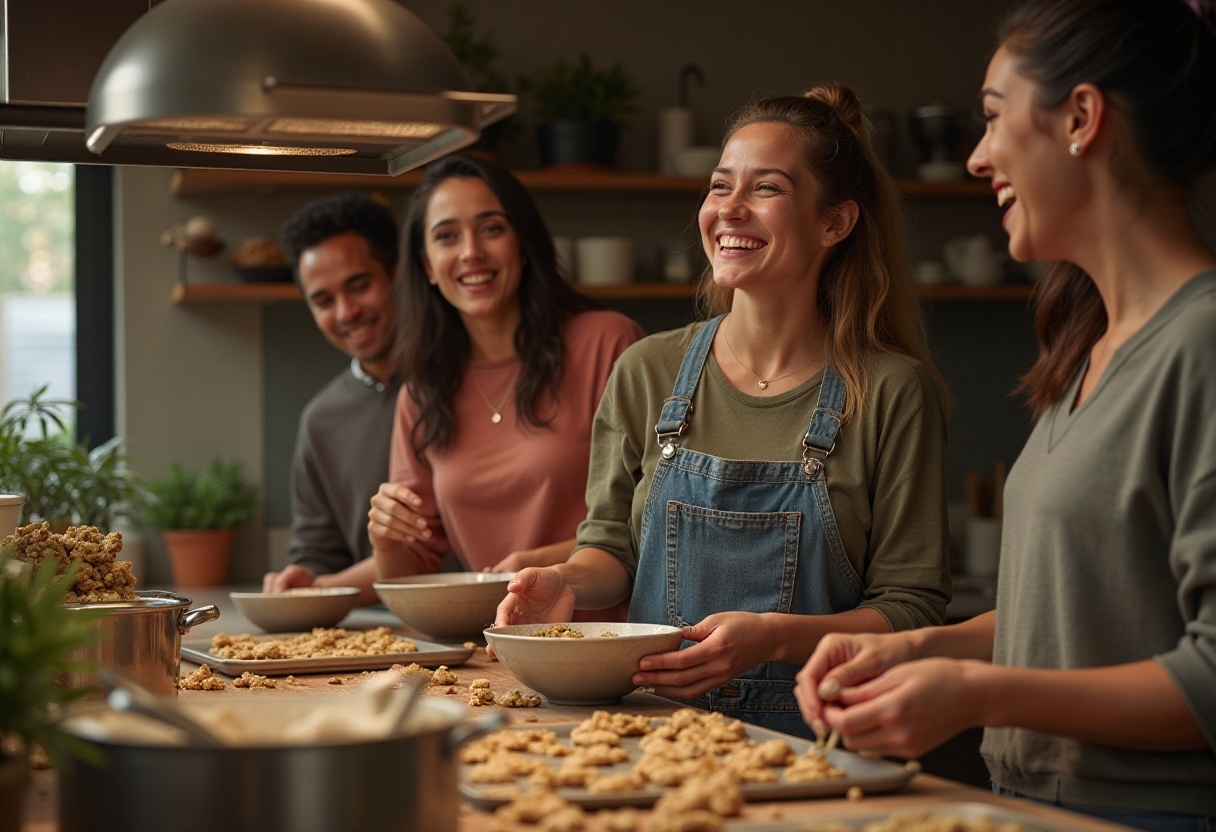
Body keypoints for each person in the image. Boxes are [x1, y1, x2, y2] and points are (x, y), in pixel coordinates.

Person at [794, 2, 1216, 828]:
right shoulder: (1087, 341)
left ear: (1082, 118)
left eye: (991, 118)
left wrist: (978, 691)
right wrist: (917, 649)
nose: (979, 157)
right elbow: (1068, 618)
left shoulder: (1201, 344)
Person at [496, 83, 953, 737]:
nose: (729, 210)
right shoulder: (646, 371)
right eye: (719, 186)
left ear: (835, 222)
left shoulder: (891, 392)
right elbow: (611, 550)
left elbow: (911, 610)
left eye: (765, 189)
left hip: (823, 752)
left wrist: (771, 639)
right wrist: (564, 583)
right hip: (655, 737)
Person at [368, 155, 644, 593]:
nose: (471, 252)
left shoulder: (608, 343)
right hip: (498, 645)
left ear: (523, 242)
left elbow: (656, 520)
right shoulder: (422, 392)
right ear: (427, 267)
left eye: (491, 228)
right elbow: (411, 580)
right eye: (446, 236)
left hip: (611, 636)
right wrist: (385, 542)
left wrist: (539, 566)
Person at [262, 192, 400, 605]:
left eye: (359, 286)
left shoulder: (470, 385)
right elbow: (318, 553)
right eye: (323, 301)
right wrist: (305, 577)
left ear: (399, 274)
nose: (345, 312)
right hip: (381, 636)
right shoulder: (322, 419)